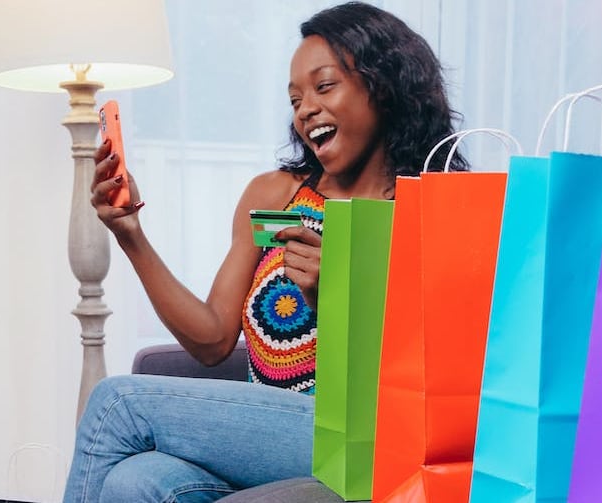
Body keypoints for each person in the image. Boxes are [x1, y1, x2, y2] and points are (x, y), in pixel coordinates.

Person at [63, 2, 467, 501]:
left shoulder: (433, 211)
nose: (305, 109)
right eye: (295, 98)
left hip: (371, 441)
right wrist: (130, 235)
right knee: (136, 480)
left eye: (324, 86)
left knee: (117, 401)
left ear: (383, 86)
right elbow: (212, 340)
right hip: (261, 436)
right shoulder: (276, 195)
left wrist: (338, 292)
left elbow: (443, 379)